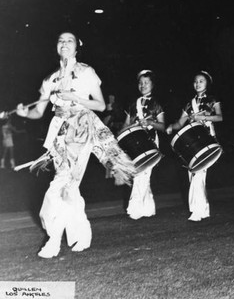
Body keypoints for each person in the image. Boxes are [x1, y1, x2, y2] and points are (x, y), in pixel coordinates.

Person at [16, 32, 135, 258]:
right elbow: (38, 111)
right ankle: (82, 234)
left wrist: (77, 99)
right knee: (69, 186)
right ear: (56, 46)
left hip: (82, 128)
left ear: (77, 46)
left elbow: (100, 105)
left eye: (69, 40)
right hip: (59, 132)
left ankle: (53, 241)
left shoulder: (86, 72)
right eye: (60, 40)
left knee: (61, 184)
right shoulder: (50, 79)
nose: (64, 44)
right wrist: (25, 113)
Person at [166, 71, 222, 221]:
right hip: (192, 143)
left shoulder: (212, 100)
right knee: (194, 175)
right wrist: (171, 126)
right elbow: (180, 123)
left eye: (201, 81)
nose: (198, 84)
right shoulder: (189, 104)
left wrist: (202, 117)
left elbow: (219, 116)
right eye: (196, 81)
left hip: (207, 140)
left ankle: (196, 211)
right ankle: (203, 209)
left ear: (207, 84)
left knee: (198, 173)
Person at [122, 70, 165, 220]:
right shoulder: (133, 105)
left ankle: (134, 209)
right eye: (140, 83)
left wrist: (150, 122)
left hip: (150, 141)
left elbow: (163, 126)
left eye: (146, 82)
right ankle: (148, 208)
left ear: (152, 84)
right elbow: (125, 125)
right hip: (134, 142)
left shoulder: (156, 104)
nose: (143, 85)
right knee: (141, 173)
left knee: (142, 173)